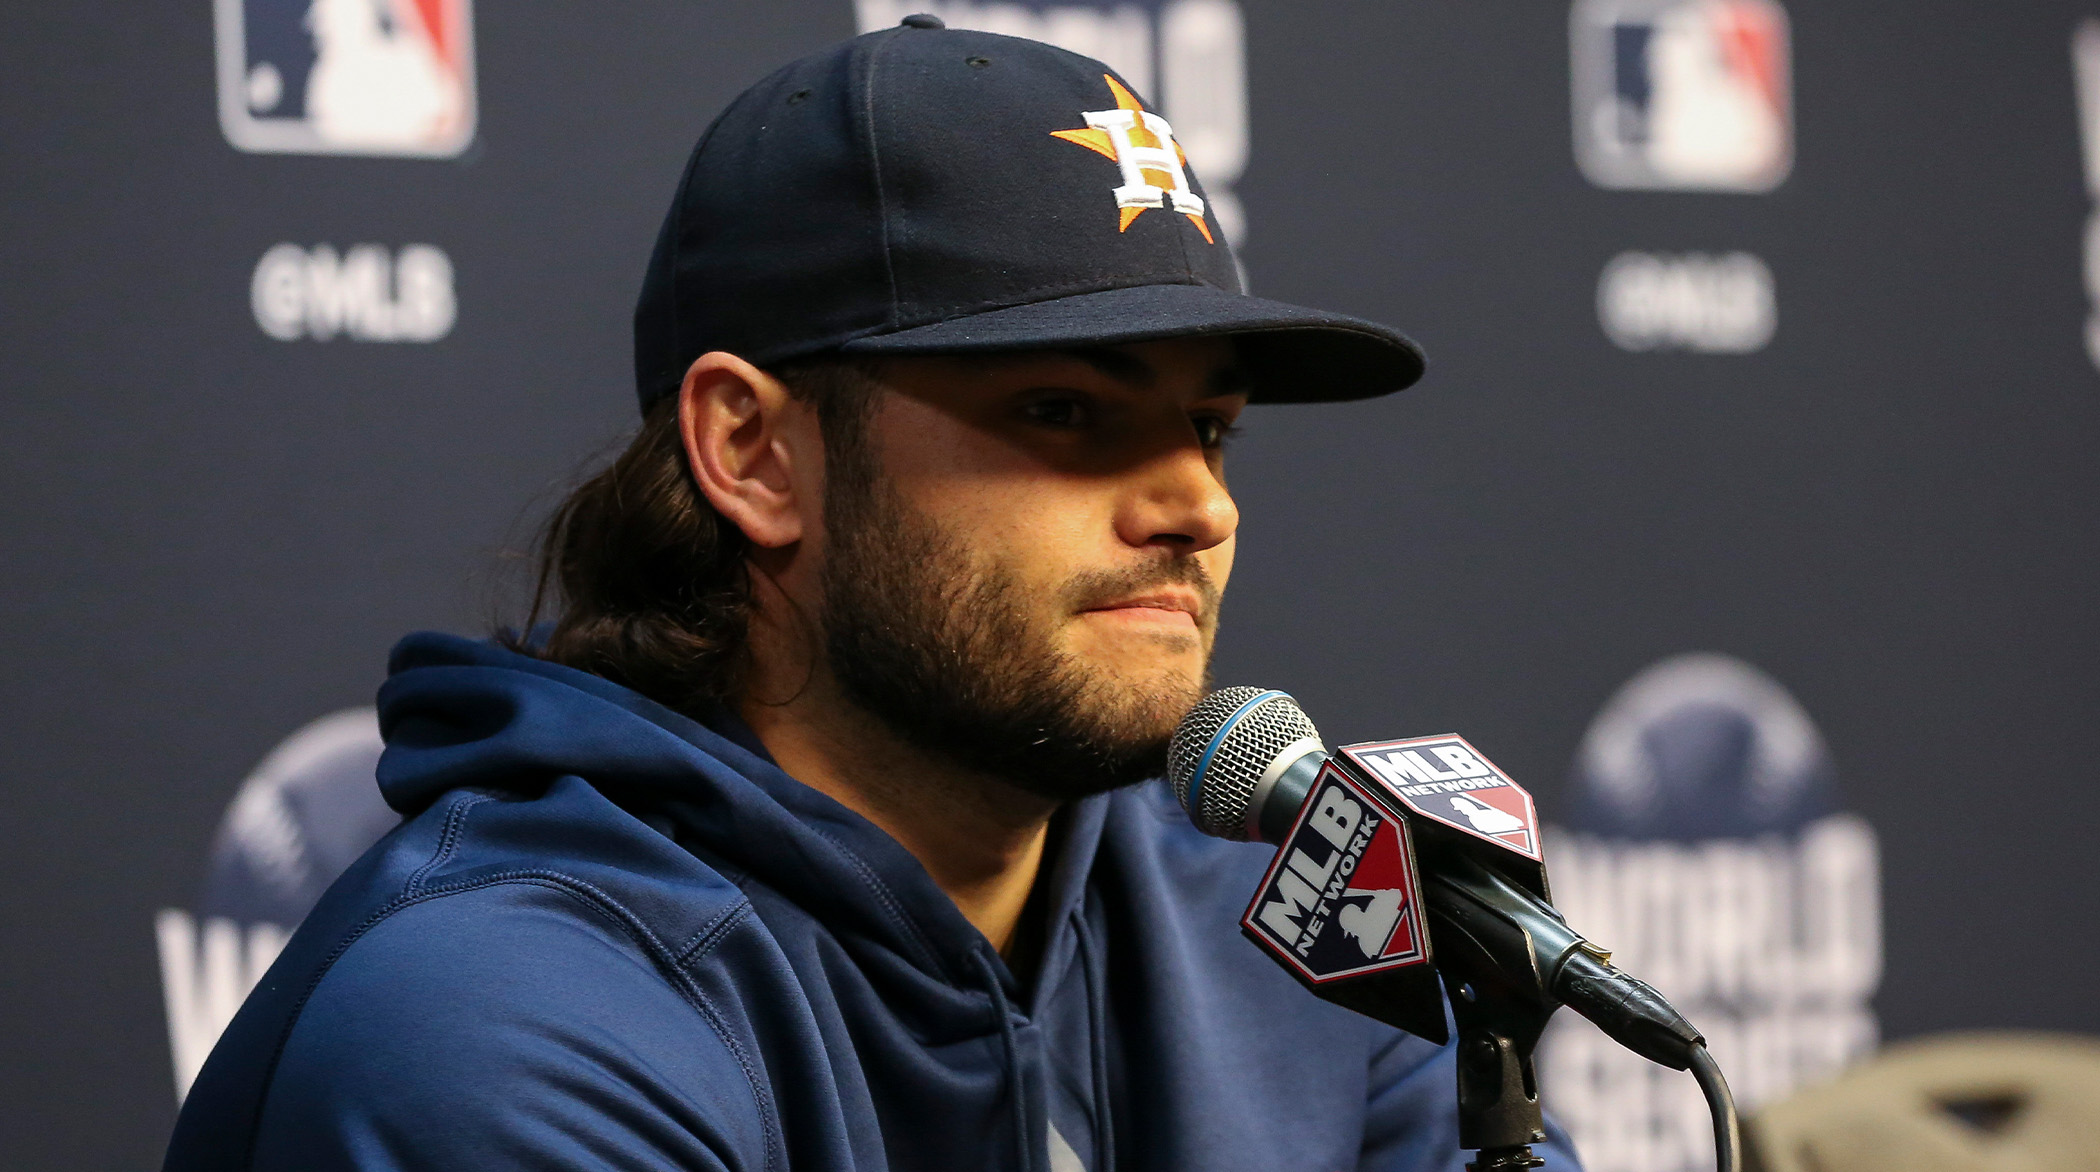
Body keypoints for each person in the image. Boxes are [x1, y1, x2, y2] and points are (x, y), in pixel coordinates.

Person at [166, 17, 1583, 1172]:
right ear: (753, 454)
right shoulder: (497, 1022)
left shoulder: (1298, 951)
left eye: (1210, 429)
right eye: (1062, 410)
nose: (1199, 507)